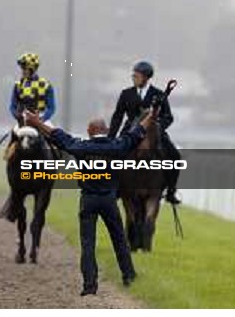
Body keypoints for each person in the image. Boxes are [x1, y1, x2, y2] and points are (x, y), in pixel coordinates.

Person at [24, 109, 153, 296]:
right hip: (109, 200)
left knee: (87, 244)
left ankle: (89, 286)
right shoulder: (118, 146)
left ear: (90, 131)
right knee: (120, 241)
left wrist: (36, 123)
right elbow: (137, 132)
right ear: (106, 130)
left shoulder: (80, 146)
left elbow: (56, 136)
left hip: (88, 200)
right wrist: (152, 115)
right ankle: (129, 276)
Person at [109, 60, 182, 204]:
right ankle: (115, 187)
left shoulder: (159, 94)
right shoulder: (126, 94)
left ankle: (171, 191)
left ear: (146, 77)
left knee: (175, 155)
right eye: (133, 76)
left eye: (137, 76)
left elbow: (168, 117)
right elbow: (117, 116)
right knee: (114, 155)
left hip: (154, 132)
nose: (134, 78)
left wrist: (157, 127)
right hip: (130, 132)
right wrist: (111, 138)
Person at [9, 52, 56, 123]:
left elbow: (51, 108)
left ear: (32, 69)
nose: (22, 71)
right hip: (23, 120)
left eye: (24, 68)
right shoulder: (18, 85)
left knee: (56, 133)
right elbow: (13, 106)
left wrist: (42, 119)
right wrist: (18, 116)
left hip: (41, 119)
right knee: (10, 134)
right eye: (22, 68)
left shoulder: (46, 85)